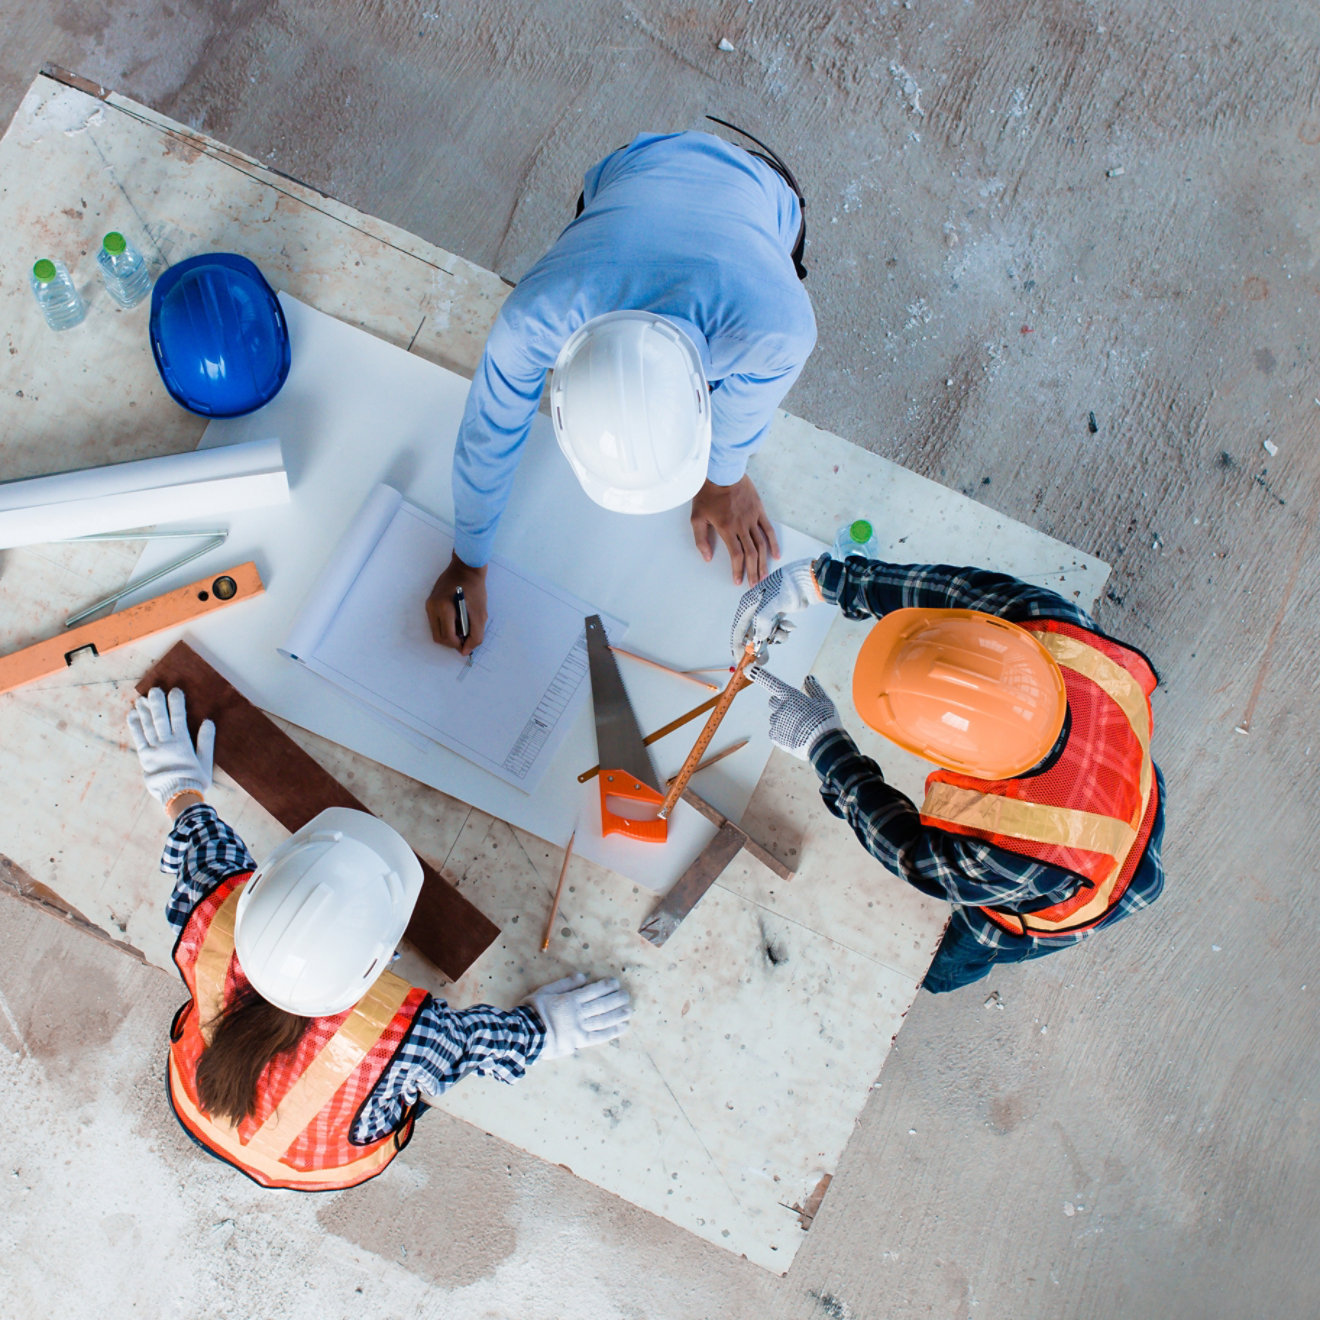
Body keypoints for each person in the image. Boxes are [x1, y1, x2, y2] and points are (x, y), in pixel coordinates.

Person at [127, 686, 631, 1190]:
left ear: (259, 887)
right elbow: (470, 1046)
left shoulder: (210, 915)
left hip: (196, 1103)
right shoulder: (402, 1038)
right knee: (406, 1088)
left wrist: (180, 788)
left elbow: (202, 849)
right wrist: (544, 1030)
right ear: (381, 962)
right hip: (314, 1166)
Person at [426, 127, 818, 653]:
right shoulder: (536, 316)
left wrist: (723, 479)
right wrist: (466, 560)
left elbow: (745, 407)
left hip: (759, 191)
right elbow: (489, 429)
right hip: (633, 169)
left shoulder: (774, 327)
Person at [730, 556, 1166, 993]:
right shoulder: (1048, 628)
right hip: (1129, 783)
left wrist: (823, 748)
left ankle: (940, 978)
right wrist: (815, 582)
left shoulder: (1009, 851)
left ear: (956, 761)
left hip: (1086, 893)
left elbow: (908, 850)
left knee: (950, 958)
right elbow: (954, 592)